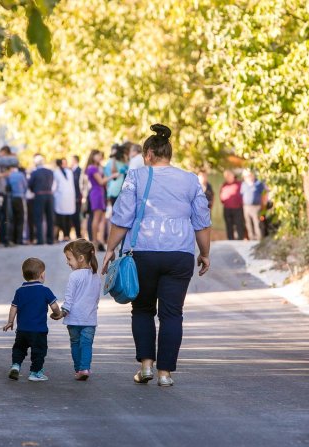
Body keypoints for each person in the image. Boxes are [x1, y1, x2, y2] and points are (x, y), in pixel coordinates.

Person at [102, 124, 211, 387]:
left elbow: (122, 217)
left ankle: (146, 367)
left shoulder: (136, 177)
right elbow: (202, 220)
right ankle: (165, 374)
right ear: (168, 154)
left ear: (148, 154)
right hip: (180, 254)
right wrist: (205, 253)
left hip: (144, 253)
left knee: (142, 309)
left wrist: (109, 250)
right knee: (172, 314)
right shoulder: (190, 179)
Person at [2, 258, 63, 382]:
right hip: (38, 330)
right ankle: (35, 372)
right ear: (41, 275)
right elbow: (54, 306)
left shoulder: (19, 291)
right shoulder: (45, 291)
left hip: (22, 330)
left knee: (19, 348)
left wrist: (10, 322)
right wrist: (58, 314)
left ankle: (15, 366)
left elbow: (13, 307)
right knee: (39, 351)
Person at [60, 239, 101, 381]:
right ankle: (85, 368)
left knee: (76, 344)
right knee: (87, 344)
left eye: (69, 258)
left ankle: (78, 369)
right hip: (90, 319)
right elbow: (96, 299)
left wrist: (63, 311)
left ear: (81, 258)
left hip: (74, 318)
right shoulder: (96, 276)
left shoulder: (74, 276)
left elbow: (69, 298)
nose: (67, 262)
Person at [86, 149, 118, 251]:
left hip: (100, 193)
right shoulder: (92, 168)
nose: (100, 157)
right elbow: (101, 182)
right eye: (98, 155)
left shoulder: (98, 167)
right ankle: (94, 241)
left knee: (101, 218)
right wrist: (112, 176)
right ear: (93, 156)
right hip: (96, 193)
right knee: (96, 217)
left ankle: (98, 240)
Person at [28, 154, 56, 245]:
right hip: (49, 195)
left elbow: (30, 185)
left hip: (39, 195)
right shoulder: (50, 171)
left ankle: (40, 240)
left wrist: (35, 190)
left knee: (39, 218)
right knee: (50, 218)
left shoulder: (34, 172)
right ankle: (50, 239)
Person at [241, 168, 268, 241]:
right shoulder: (244, 184)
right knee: (248, 224)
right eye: (246, 176)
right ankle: (251, 238)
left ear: (252, 175)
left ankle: (259, 239)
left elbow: (264, 194)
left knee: (257, 223)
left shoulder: (258, 183)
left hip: (256, 206)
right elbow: (242, 194)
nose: (248, 177)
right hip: (246, 207)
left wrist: (263, 205)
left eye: (249, 175)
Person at [53, 158, 76, 241]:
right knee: (60, 217)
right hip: (60, 197)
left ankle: (67, 234)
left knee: (68, 217)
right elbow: (54, 185)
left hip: (69, 197)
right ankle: (61, 235)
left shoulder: (69, 172)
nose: (65, 164)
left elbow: (71, 184)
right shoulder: (56, 173)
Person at [220, 169, 246, 240]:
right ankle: (230, 240)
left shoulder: (239, 184)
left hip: (237, 208)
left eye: (229, 175)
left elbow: (243, 195)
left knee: (239, 225)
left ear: (233, 175)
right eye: (226, 176)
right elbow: (221, 195)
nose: (227, 177)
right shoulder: (224, 185)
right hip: (227, 208)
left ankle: (240, 239)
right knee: (229, 225)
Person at [7, 164, 28, 245]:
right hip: (20, 198)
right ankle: (19, 240)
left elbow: (7, 187)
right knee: (20, 219)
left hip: (11, 198)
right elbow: (25, 186)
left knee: (12, 219)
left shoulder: (9, 175)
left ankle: (12, 239)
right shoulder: (21, 175)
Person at [70, 155, 85, 239]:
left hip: (77, 196)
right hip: (72, 196)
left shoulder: (79, 170)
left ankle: (78, 234)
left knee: (77, 216)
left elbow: (79, 184)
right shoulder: (71, 170)